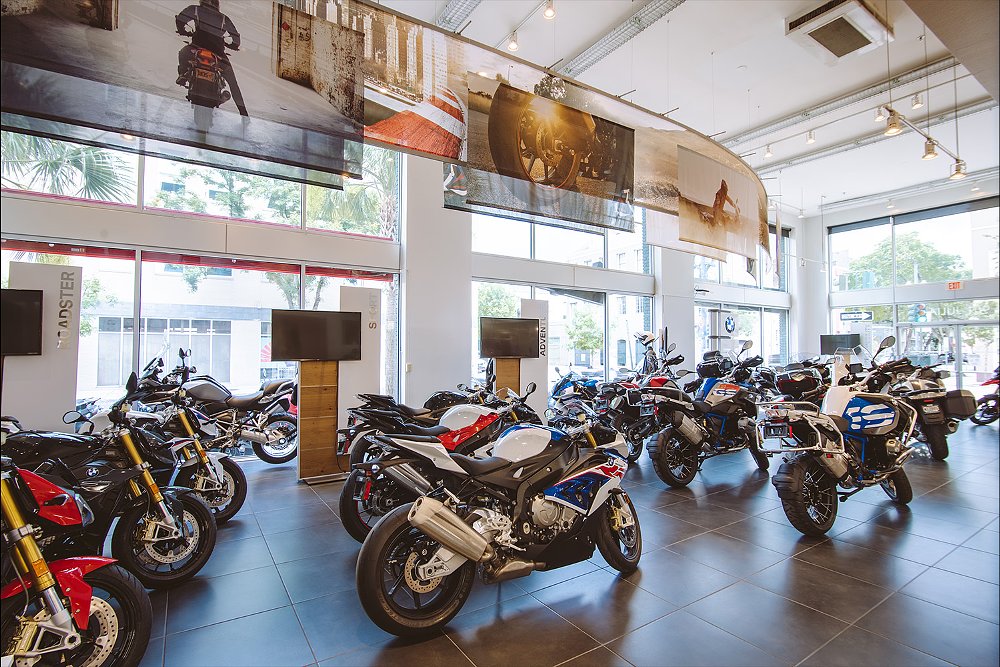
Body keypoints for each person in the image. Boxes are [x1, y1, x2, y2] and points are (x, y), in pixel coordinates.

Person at [175, 0, 248, 116]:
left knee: (183, 53)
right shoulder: (224, 19)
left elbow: (180, 19)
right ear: (217, 4)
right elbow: (236, 38)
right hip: (218, 55)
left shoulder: (195, 9)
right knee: (233, 83)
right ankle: (243, 113)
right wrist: (233, 45)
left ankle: (183, 75)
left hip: (197, 48)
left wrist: (182, 30)